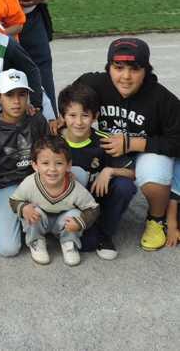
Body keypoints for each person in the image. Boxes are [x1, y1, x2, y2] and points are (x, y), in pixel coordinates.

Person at [72, 37, 180, 250]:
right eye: (118, 68)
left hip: (146, 151)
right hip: (110, 153)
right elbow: (71, 100)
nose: (126, 77)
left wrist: (133, 143)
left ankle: (156, 219)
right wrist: (59, 118)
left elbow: (177, 141)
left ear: (146, 70)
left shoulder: (162, 99)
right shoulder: (94, 84)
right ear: (108, 68)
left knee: (153, 174)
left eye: (134, 69)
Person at [56, 82, 135, 260]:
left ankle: (106, 234)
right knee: (86, 245)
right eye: (72, 115)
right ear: (63, 116)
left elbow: (133, 173)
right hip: (67, 202)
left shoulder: (105, 141)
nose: (78, 122)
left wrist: (109, 170)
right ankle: (62, 226)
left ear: (95, 117)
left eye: (85, 115)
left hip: (96, 201)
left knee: (125, 186)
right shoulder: (54, 141)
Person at [0, 69, 49, 257]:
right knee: (7, 249)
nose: (16, 101)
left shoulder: (37, 120)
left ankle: (41, 229)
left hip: (36, 183)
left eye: (22, 94)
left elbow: (50, 156)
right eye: (9, 95)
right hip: (6, 188)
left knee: (78, 174)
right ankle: (19, 218)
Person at [9, 135, 100, 266]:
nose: (52, 169)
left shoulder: (74, 187)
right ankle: (36, 241)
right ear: (35, 165)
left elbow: (93, 208)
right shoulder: (30, 183)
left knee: (75, 214)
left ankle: (69, 242)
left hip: (63, 223)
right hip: (40, 220)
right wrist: (23, 208)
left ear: (68, 165)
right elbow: (14, 200)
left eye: (59, 163)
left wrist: (80, 222)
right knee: (31, 211)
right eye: (45, 163)